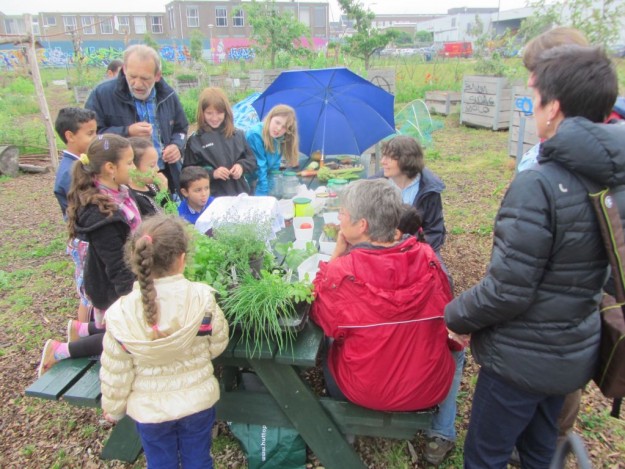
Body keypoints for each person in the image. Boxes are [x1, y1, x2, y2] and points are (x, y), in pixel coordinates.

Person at [445, 45, 624, 468]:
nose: (532, 107)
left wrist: (455, 315)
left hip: (519, 361)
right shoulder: (613, 175)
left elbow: (508, 289)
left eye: (535, 96)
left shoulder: (540, 183)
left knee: (485, 456)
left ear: (554, 107)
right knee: (540, 450)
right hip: (573, 353)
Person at [311, 179, 463, 465]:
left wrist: (336, 256)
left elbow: (320, 316)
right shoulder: (428, 256)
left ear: (362, 225)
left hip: (363, 390)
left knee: (331, 337)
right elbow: (446, 310)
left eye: (343, 213)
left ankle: (345, 424)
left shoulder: (342, 271)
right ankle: (441, 431)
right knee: (456, 348)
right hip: (427, 387)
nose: (339, 217)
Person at [99, 214, 229, 468]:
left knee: (160, 462)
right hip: (197, 402)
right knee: (198, 459)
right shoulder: (202, 299)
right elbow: (217, 344)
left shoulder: (120, 313)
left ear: (136, 261)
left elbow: (116, 369)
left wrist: (113, 409)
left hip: (150, 411)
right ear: (182, 259)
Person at [38, 134, 141, 376]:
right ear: (110, 168)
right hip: (115, 288)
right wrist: (134, 301)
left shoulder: (120, 193)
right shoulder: (101, 212)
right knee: (126, 339)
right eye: (129, 162)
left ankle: (82, 330)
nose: (134, 168)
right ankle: (60, 350)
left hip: (130, 277)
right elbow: (117, 265)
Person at [85, 44, 188, 193]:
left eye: (145, 78)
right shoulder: (102, 95)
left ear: (157, 76)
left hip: (164, 173)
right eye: (132, 76)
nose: (138, 84)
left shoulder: (168, 95)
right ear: (124, 69)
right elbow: (93, 138)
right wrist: (127, 132)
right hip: (125, 182)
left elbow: (181, 128)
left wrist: (176, 145)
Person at [53, 107, 98, 323]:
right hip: (85, 238)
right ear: (70, 136)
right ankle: (81, 330)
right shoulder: (69, 173)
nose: (95, 137)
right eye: (90, 133)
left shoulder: (80, 163)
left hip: (86, 235)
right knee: (89, 290)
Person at [377, 135, 446, 253]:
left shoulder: (429, 189)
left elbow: (433, 232)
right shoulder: (375, 185)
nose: (382, 161)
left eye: (389, 157)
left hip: (417, 250)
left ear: (406, 160)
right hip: (381, 249)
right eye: (383, 156)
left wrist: (413, 253)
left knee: (437, 266)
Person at [182, 87, 257, 197]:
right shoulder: (195, 140)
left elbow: (252, 160)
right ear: (202, 113)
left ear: (226, 112)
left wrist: (241, 166)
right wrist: (213, 174)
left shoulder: (238, 134)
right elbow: (187, 173)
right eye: (209, 113)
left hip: (240, 194)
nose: (214, 118)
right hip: (212, 197)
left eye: (219, 113)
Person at [245, 104, 299, 195]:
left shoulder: (280, 139)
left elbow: (274, 168)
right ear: (270, 118)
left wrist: (271, 192)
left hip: (260, 179)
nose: (279, 128)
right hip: (244, 181)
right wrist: (263, 196)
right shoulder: (255, 135)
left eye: (284, 127)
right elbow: (260, 167)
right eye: (277, 122)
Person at [128, 137, 168, 218]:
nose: (157, 169)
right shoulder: (136, 198)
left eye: (157, 164)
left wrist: (164, 191)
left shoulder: (152, 185)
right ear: (133, 167)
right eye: (152, 166)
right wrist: (163, 193)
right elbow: (160, 220)